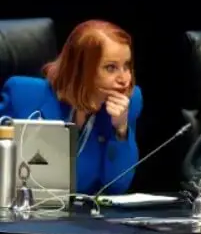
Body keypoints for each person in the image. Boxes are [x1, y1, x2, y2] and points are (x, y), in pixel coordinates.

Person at [0, 20, 142, 196]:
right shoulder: (22, 95)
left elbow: (116, 186)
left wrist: (120, 130)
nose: (124, 79)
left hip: (82, 213)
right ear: (80, 69)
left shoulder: (128, 103)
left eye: (126, 66)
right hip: (24, 208)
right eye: (110, 68)